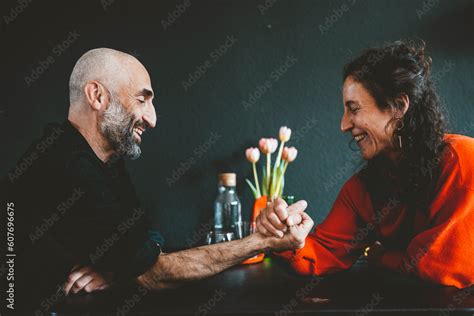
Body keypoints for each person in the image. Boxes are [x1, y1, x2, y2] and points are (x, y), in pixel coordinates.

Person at [2, 48, 313, 305]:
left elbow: (149, 235)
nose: (152, 119)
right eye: (142, 100)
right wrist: (263, 241)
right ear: (97, 96)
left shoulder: (105, 160)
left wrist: (120, 269)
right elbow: (155, 272)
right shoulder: (65, 164)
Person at [256, 40, 474, 289]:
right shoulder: (362, 189)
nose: (344, 125)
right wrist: (286, 237)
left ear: (399, 106)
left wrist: (380, 256)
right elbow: (321, 253)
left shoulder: (463, 161)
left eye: (354, 109)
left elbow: (446, 267)